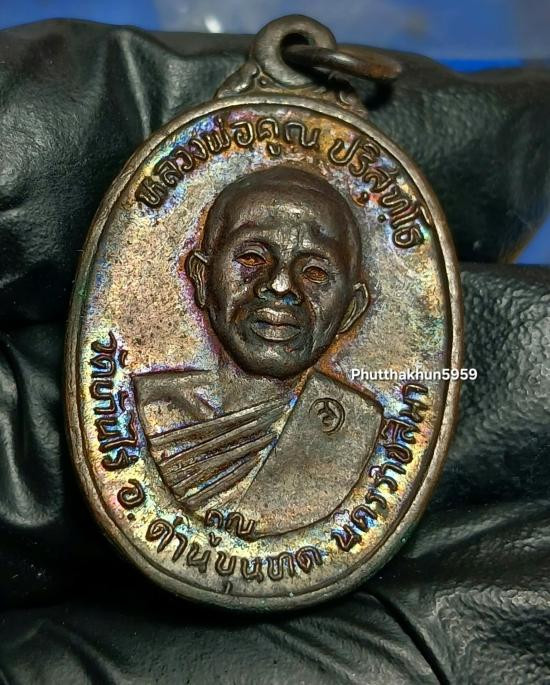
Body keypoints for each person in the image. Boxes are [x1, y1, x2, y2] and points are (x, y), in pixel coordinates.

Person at [133, 165, 382, 536]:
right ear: (202, 279)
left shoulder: (359, 429)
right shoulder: (143, 409)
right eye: (252, 258)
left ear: (351, 309)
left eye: (314, 271)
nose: (280, 285)